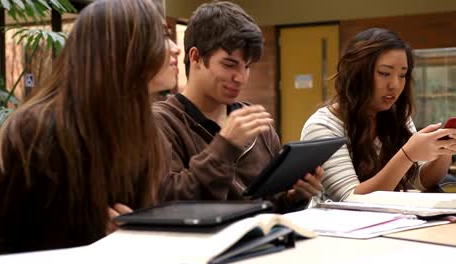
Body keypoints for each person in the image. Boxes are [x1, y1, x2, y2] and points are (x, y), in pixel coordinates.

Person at [0, 0, 180, 255]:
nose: (176, 48)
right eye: (162, 37)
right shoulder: (36, 132)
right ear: (123, 49)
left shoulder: (143, 131)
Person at [153, 1, 323, 213]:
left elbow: (269, 205)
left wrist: (293, 197)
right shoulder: (162, 122)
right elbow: (171, 204)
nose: (241, 78)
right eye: (229, 64)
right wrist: (225, 146)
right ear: (195, 57)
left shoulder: (255, 124)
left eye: (247, 66)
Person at [301, 28, 456, 202]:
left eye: (403, 75)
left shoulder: (398, 115)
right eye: (384, 73)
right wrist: (407, 155)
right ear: (357, 73)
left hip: (391, 223)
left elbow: (421, 181)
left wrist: (446, 148)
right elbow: (351, 199)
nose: (395, 85)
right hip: (337, 226)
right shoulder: (323, 125)